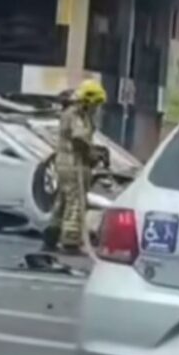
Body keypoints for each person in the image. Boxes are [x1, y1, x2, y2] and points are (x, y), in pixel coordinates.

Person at [42, 79, 107, 256]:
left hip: (65, 163)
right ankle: (70, 242)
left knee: (63, 201)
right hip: (73, 164)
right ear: (89, 101)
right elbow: (79, 138)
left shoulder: (72, 112)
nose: (97, 109)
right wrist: (92, 154)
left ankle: (51, 236)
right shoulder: (76, 114)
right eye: (96, 104)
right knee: (76, 202)